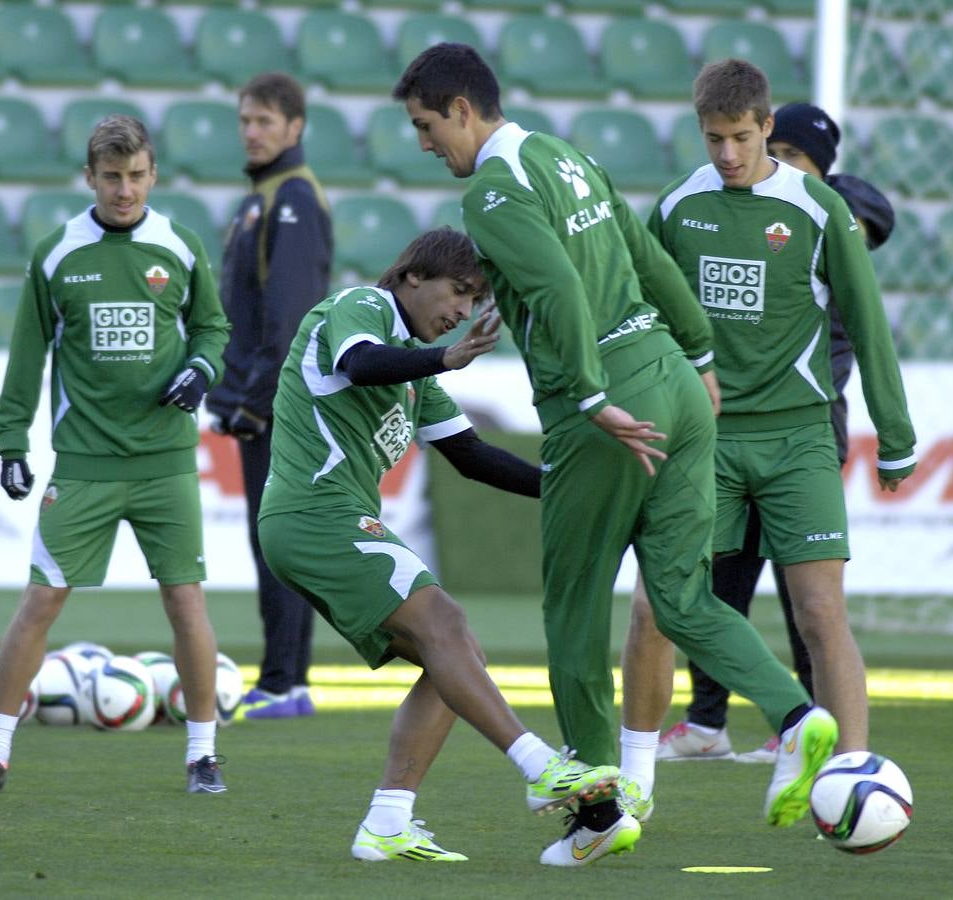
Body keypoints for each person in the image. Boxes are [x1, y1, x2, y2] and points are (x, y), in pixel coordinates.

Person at [392, 44, 838, 866]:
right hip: (672, 375)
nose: (424, 143)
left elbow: (561, 287)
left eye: (425, 125)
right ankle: (798, 714)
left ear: (461, 108)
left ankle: (601, 813)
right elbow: (643, 252)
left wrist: (591, 395)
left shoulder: (493, 189)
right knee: (680, 596)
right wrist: (700, 355)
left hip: (604, 408)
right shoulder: (565, 154)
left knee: (571, 611)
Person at [257, 228, 622, 863]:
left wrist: (568, 489)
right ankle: (539, 767)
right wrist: (445, 358)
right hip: (314, 513)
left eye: (474, 297)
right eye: (458, 291)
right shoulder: (362, 309)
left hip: (329, 520)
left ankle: (387, 822)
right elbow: (358, 362)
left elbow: (472, 457)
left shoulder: (416, 376)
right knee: (447, 622)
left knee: (454, 655)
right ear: (412, 277)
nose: (462, 309)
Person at [623, 60, 917, 794]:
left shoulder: (818, 210)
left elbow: (870, 327)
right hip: (704, 442)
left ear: (766, 128)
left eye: (743, 138)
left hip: (798, 439)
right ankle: (632, 777)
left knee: (820, 611)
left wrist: (896, 432)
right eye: (714, 138)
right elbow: (640, 314)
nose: (727, 154)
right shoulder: (677, 207)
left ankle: (848, 778)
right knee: (658, 606)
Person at [0, 115, 232, 795]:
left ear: (153, 174)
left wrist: (201, 368)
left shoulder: (180, 247)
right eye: (111, 177)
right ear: (90, 178)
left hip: (165, 462)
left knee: (186, 604)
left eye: (136, 176)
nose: (124, 190)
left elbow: (213, 326)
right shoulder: (56, 255)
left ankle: (202, 758)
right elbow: (26, 356)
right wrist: (12, 441)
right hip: (84, 464)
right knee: (40, 601)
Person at [205, 73, 333, 721]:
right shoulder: (261, 196)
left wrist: (253, 398)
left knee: (279, 540)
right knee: (272, 539)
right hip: (260, 400)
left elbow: (289, 316)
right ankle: (285, 680)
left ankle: (285, 682)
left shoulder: (294, 200)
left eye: (264, 121)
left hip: (278, 404)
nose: (252, 132)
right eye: (245, 121)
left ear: (295, 128)